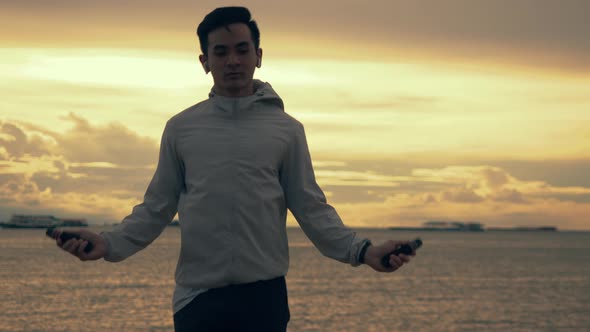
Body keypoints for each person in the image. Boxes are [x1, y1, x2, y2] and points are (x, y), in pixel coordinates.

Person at [51, 6, 416, 332]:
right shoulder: (181, 128)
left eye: (242, 50)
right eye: (221, 52)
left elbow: (310, 208)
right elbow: (156, 208)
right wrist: (108, 243)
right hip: (197, 300)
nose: (233, 61)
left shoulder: (287, 130)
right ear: (205, 61)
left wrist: (364, 251)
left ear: (258, 56)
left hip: (264, 298)